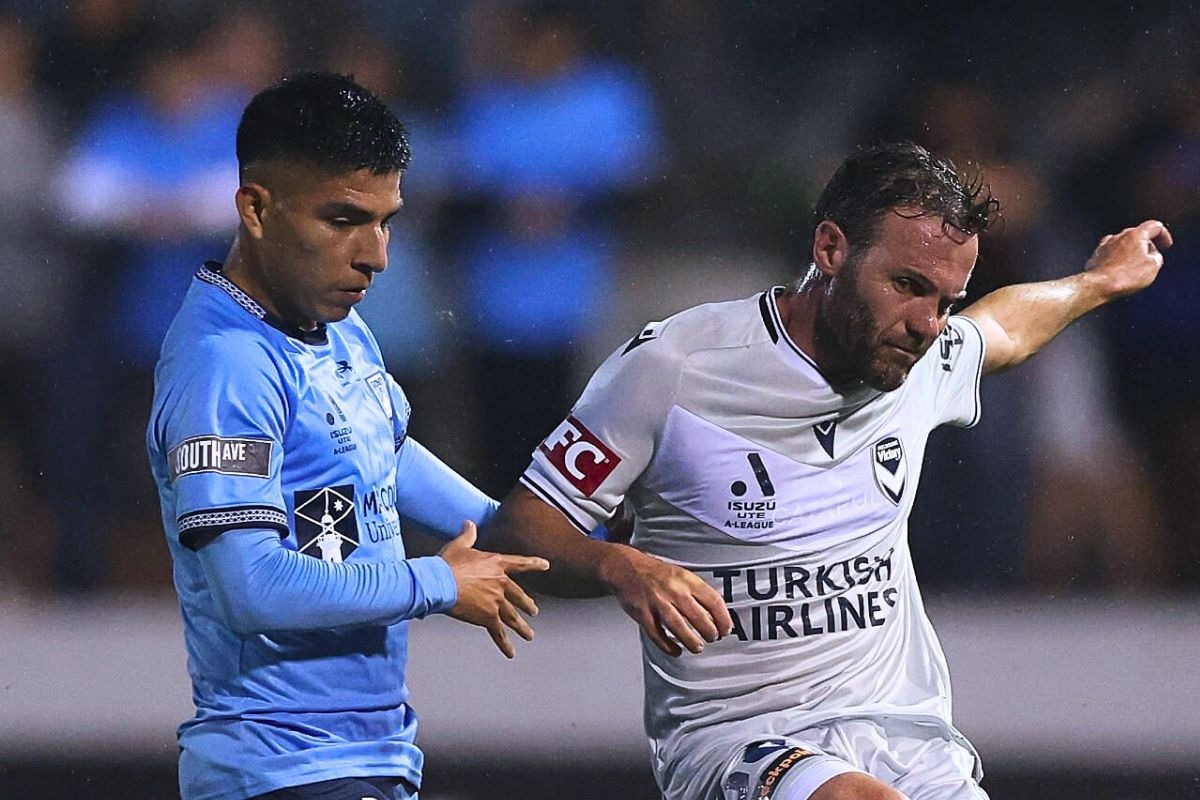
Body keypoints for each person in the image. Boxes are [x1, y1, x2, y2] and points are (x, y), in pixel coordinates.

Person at [483, 141, 1172, 800]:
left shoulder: (916, 358)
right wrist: (619, 566)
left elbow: (1003, 332)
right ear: (831, 248)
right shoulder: (675, 368)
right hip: (739, 740)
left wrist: (1098, 282)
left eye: (944, 300)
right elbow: (518, 528)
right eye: (907, 286)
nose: (927, 324)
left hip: (907, 737)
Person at [146, 72, 549, 800]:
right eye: (342, 220)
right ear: (256, 208)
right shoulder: (224, 366)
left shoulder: (334, 326)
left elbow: (379, 455)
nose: (376, 256)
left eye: (386, 220)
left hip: (363, 754)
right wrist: (436, 583)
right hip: (279, 764)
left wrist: (536, 525)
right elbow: (252, 587)